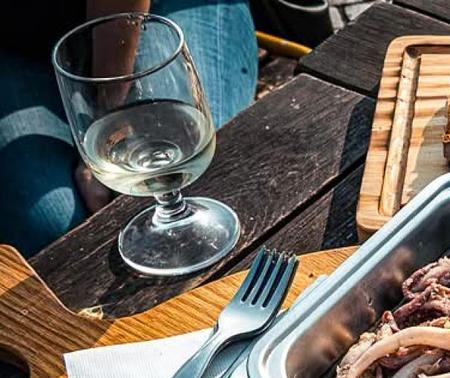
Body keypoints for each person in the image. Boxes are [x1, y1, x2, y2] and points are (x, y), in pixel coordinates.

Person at [0, 1, 257, 257]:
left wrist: (108, 123)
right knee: (56, 230)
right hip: (16, 44)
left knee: (197, 174)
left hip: (158, 7)